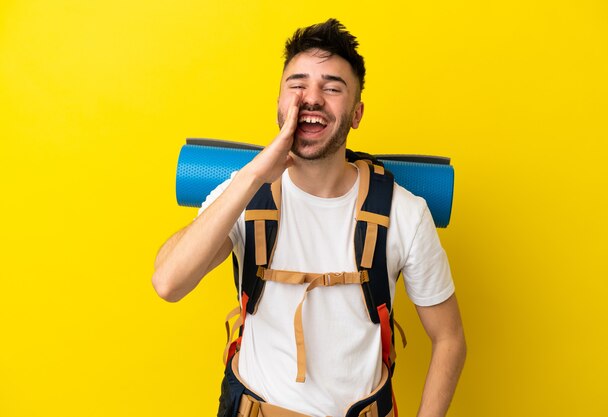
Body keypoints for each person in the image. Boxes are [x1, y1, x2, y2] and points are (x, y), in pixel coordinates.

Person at [152, 18, 466, 417]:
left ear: (356, 114)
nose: (311, 99)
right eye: (297, 85)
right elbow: (168, 282)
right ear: (280, 106)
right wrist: (253, 176)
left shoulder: (404, 212)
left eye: (332, 88)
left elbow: (450, 339)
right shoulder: (244, 192)